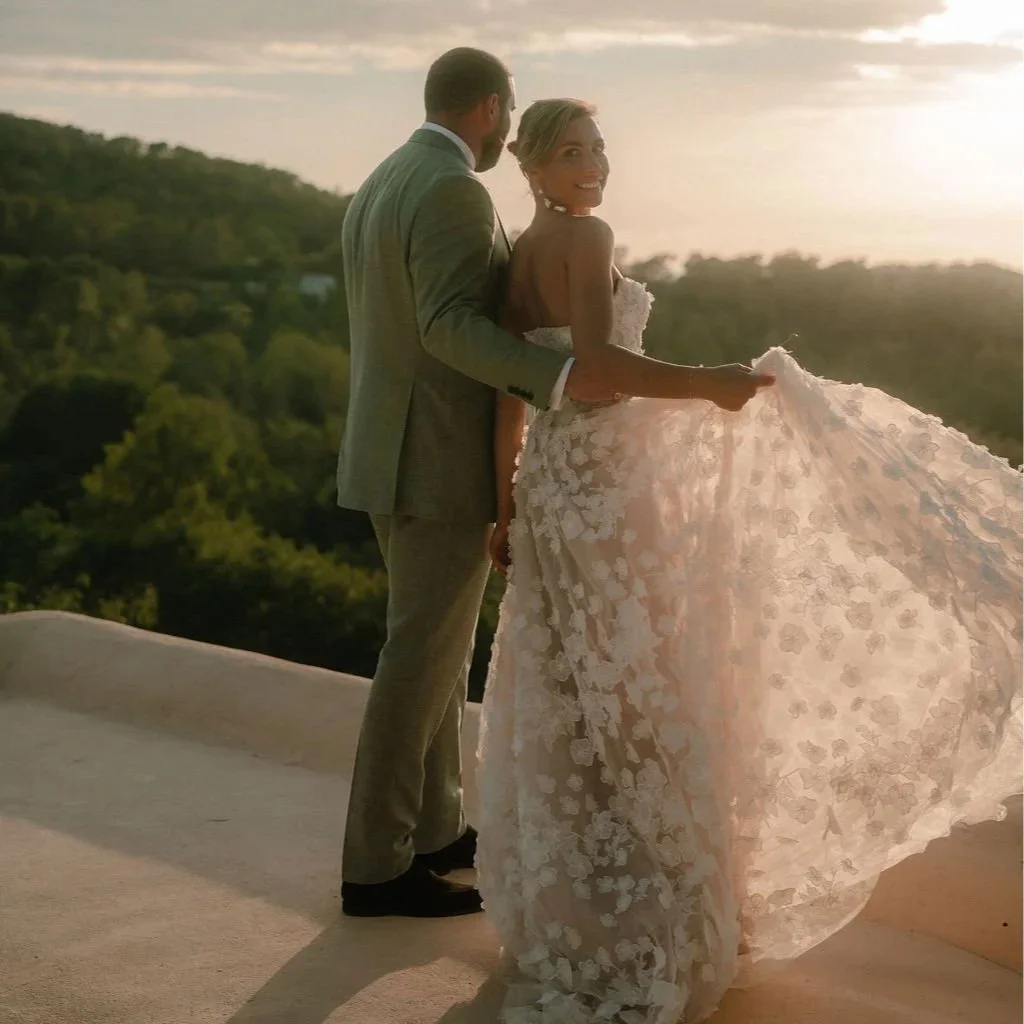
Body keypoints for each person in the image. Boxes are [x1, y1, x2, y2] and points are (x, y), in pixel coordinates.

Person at [474, 98, 1023, 1022]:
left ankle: (592, 910)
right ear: (531, 166)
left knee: (575, 693)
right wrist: (713, 388)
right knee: (643, 689)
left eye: (601, 147)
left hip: (553, 490)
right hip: (605, 484)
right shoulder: (585, 235)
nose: (594, 164)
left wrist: (506, 502)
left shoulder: (513, 259)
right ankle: (662, 908)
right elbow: (603, 369)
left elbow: (513, 390)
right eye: (573, 151)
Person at [335, 51, 623, 919]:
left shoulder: (386, 178)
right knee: (416, 663)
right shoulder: (455, 188)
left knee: (436, 651)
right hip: (435, 459)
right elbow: (448, 325)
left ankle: (435, 831)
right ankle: (376, 869)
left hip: (387, 454)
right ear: (493, 109)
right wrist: (561, 378)